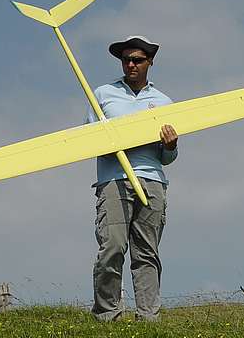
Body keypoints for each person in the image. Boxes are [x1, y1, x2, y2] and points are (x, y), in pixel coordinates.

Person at [86, 36, 179, 321]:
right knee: (112, 247)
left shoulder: (163, 101)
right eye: (126, 60)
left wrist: (171, 145)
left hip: (152, 180)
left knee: (147, 252)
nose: (131, 64)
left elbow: (168, 158)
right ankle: (107, 314)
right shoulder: (102, 94)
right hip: (114, 179)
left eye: (137, 59)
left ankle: (149, 316)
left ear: (150, 62)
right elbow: (90, 140)